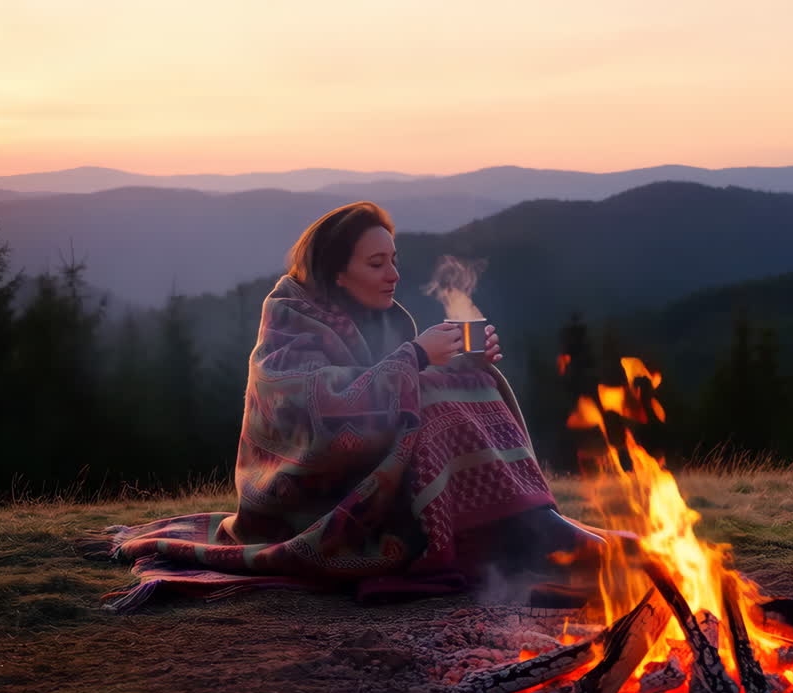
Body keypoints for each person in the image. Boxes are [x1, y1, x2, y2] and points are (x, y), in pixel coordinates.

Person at [81, 201, 602, 611]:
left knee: (466, 383)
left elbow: (394, 387)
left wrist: (464, 360)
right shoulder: (287, 320)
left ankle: (527, 522)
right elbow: (316, 409)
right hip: (306, 497)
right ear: (335, 272)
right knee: (434, 398)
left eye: (394, 259)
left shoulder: (380, 317)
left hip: (371, 472)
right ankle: (522, 536)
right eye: (377, 263)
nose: (393, 273)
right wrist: (420, 357)